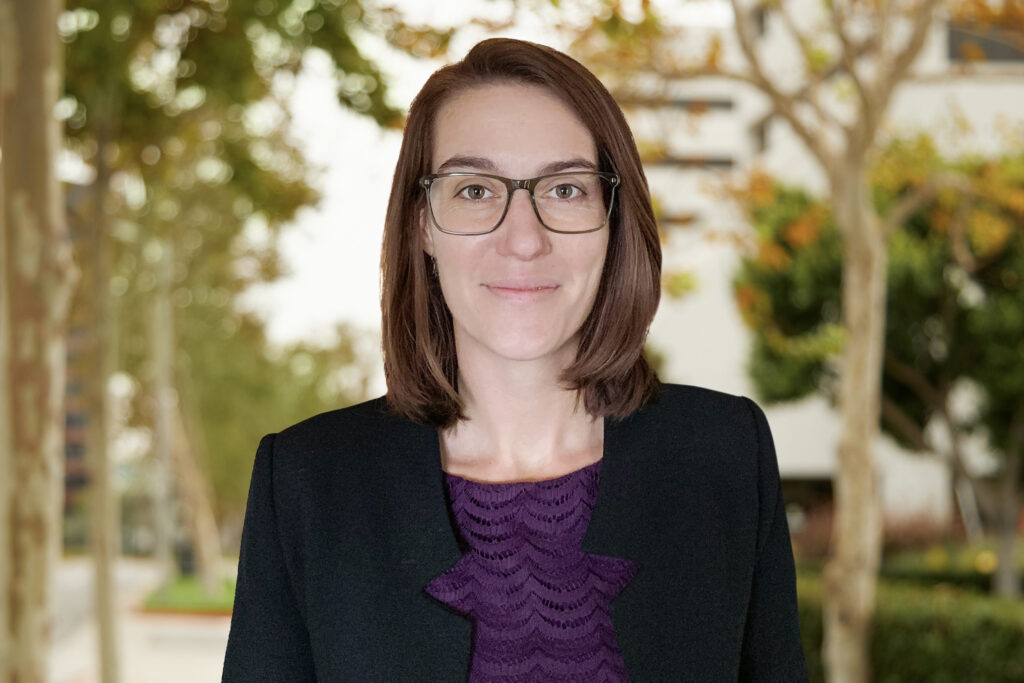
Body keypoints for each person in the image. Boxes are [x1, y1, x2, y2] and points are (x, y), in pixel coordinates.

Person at [222, 38, 808, 682]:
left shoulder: (724, 454)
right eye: (474, 190)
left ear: (614, 219)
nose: (524, 239)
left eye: (564, 189)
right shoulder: (309, 481)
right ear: (422, 225)